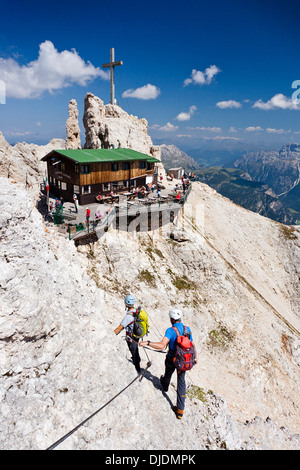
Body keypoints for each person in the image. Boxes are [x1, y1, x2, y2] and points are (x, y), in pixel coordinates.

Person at [139, 308, 197, 420]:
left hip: (172, 359)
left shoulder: (170, 331)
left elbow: (162, 345)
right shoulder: (187, 329)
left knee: (168, 372)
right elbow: (192, 344)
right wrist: (195, 357)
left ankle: (165, 386)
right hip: (184, 360)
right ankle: (180, 410)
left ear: (171, 319)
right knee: (181, 382)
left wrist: (148, 342)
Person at [114, 295, 142, 373]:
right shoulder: (136, 311)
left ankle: (137, 368)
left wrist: (111, 335)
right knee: (135, 349)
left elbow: (119, 328)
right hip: (137, 335)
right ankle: (136, 361)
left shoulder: (128, 316)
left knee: (134, 351)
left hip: (131, 337)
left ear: (126, 303)